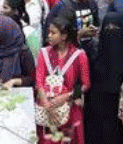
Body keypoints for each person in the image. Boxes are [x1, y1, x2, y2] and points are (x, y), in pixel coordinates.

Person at [36, 15, 89, 144]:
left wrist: (67, 97)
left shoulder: (79, 56)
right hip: (46, 108)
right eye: (48, 32)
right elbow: (39, 83)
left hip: (68, 107)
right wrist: (48, 107)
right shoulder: (43, 53)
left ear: (64, 36)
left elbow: (86, 84)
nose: (48, 35)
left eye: (53, 33)